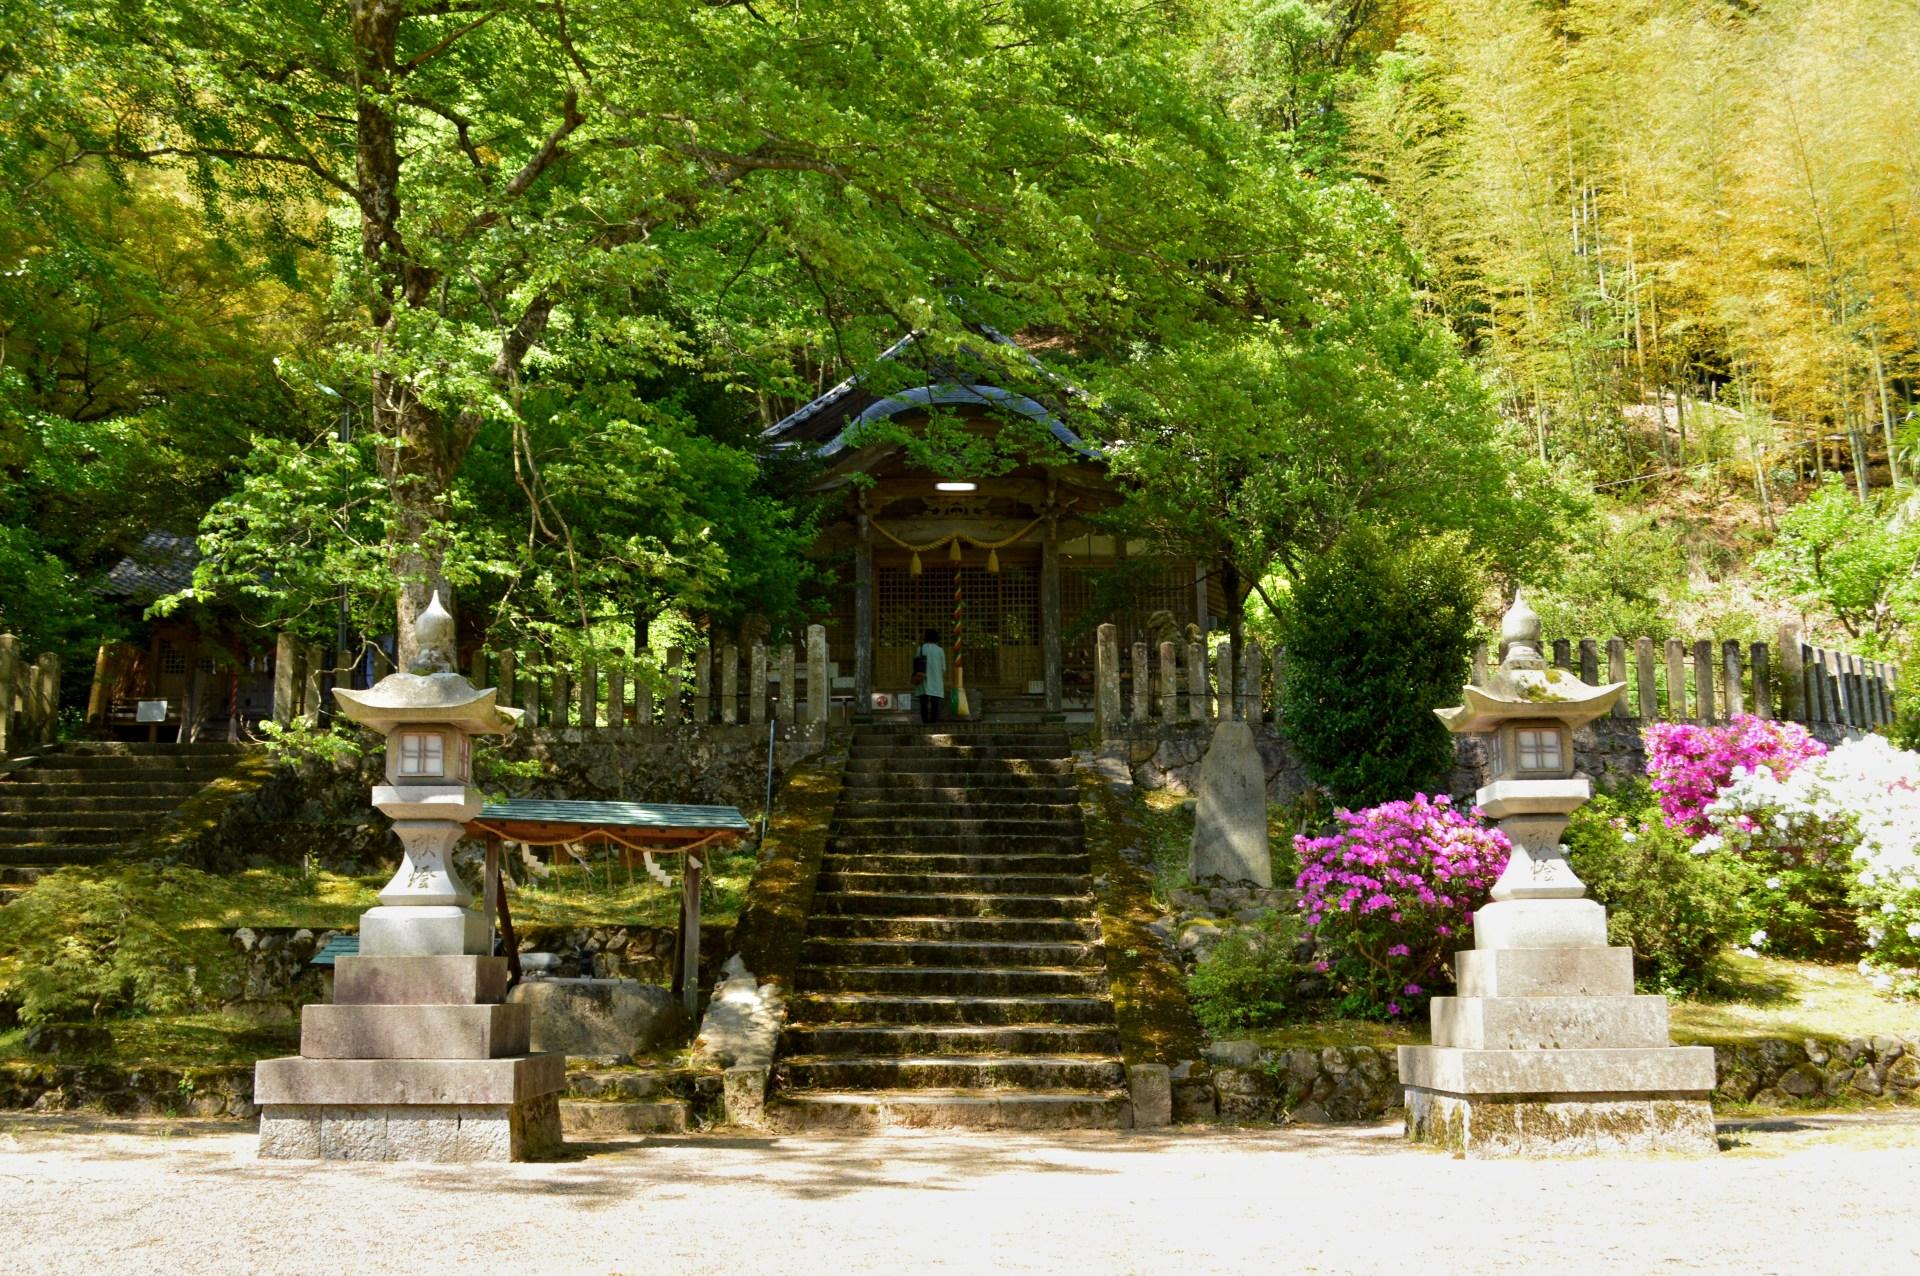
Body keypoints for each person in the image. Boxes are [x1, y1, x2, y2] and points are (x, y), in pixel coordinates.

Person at [914, 627, 947, 724]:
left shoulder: (920, 649)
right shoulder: (940, 650)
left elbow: (916, 664)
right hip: (936, 680)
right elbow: (943, 668)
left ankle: (925, 722)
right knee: (935, 702)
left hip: (922, 678)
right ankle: (933, 722)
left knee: (923, 702)